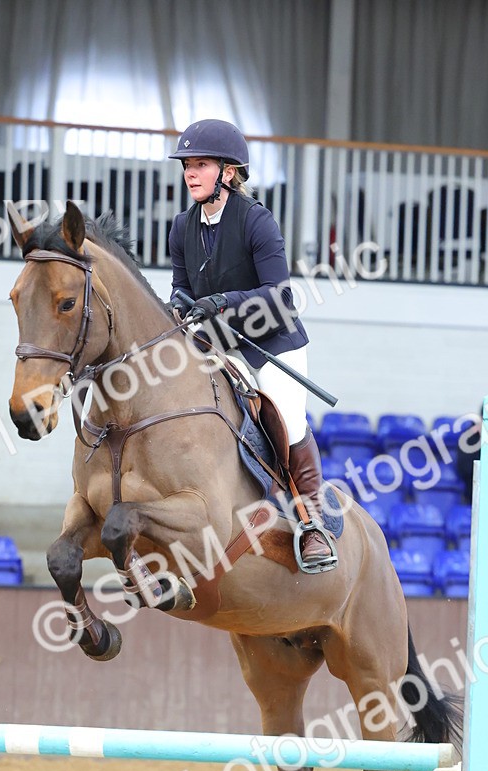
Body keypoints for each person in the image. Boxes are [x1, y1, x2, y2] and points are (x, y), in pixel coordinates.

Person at [167, 118, 336, 570]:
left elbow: (280, 296)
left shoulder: (257, 221)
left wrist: (223, 301)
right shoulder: (182, 228)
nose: (190, 173)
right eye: (187, 165)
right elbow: (180, 290)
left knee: (287, 419)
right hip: (218, 344)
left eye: (200, 165)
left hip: (272, 344)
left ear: (227, 172)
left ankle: (312, 521)